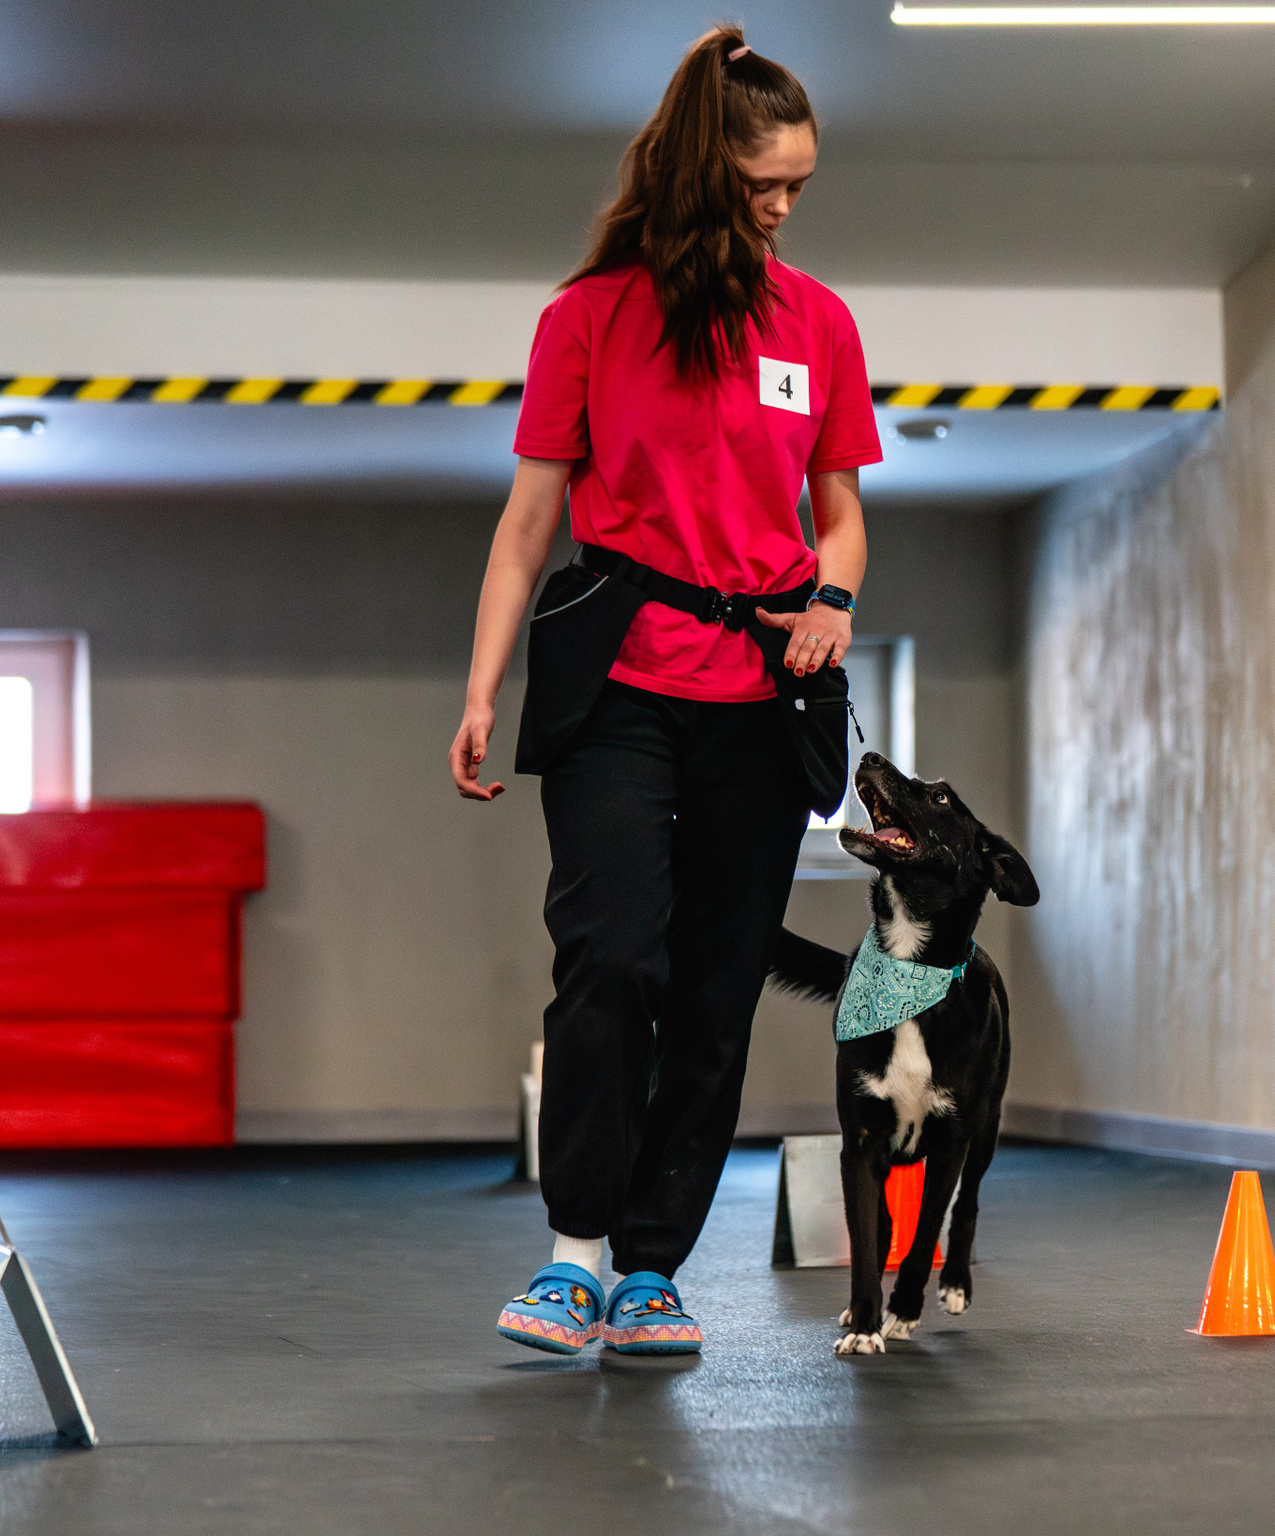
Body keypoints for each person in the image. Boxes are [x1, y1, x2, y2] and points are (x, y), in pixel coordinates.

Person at [448, 26, 880, 1356]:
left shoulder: (818, 322)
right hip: (620, 685)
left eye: (800, 185)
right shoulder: (589, 317)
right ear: (703, 171)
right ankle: (574, 1253)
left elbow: (840, 514)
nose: (785, 206)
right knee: (611, 957)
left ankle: (651, 1270)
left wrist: (833, 603)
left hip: (760, 695)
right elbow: (528, 526)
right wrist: (480, 692)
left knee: (716, 986)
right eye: (764, 184)